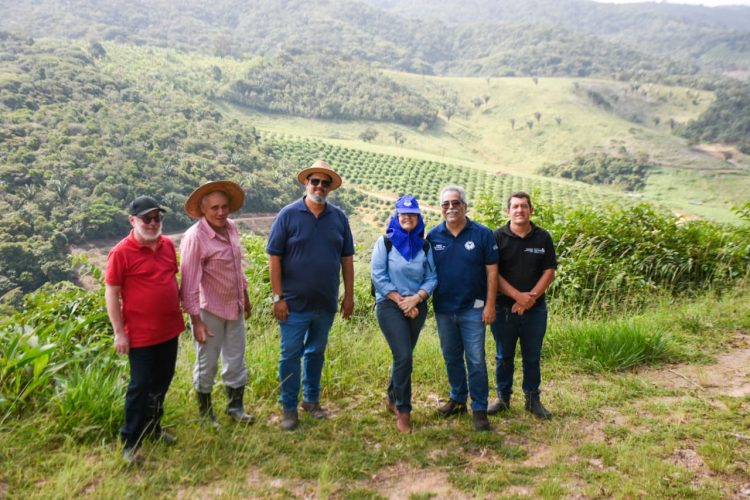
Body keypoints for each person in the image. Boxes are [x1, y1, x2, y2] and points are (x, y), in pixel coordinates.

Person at [267, 160, 355, 431]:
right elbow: (274, 258)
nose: (319, 186)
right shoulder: (288, 215)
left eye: (325, 183)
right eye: (315, 181)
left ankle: (311, 400)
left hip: (325, 302)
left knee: (316, 352)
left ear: (330, 187)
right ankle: (289, 407)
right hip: (292, 304)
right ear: (306, 183)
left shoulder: (339, 218)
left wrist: (349, 296)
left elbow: (347, 259)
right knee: (290, 355)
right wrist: (278, 298)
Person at [105, 195, 185, 465]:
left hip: (169, 329)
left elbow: (171, 279)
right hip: (140, 335)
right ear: (132, 220)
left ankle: (153, 428)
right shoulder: (121, 252)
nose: (153, 223)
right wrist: (119, 332)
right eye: (146, 218)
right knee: (140, 386)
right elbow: (112, 293)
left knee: (162, 381)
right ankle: (130, 441)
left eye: (157, 217)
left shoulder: (167, 245)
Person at [180, 180, 254, 426]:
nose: (221, 212)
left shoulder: (231, 227)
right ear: (203, 210)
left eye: (224, 207)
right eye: (214, 208)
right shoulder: (195, 237)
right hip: (209, 309)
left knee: (236, 358)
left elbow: (237, 265)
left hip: (234, 305)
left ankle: (235, 407)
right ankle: (205, 413)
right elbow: (189, 284)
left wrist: (245, 295)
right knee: (207, 361)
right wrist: (196, 321)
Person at [427, 185, 499, 431]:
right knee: (451, 356)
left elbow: (492, 273)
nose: (450, 208)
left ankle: (479, 408)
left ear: (465, 206)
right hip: (444, 309)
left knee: (476, 360)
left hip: (475, 308)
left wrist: (490, 305)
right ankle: (458, 400)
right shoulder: (433, 236)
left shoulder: (482, 234)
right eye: (445, 204)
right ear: (441, 209)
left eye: (455, 203)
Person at [371, 195, 437, 433]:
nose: (407, 217)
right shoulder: (385, 242)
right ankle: (404, 409)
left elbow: (432, 277)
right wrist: (402, 302)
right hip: (390, 304)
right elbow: (378, 275)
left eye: (412, 214)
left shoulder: (424, 245)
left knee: (403, 356)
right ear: (396, 216)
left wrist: (416, 298)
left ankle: (391, 397)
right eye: (403, 214)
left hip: (417, 306)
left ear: (418, 217)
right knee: (404, 356)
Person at [489, 192, 557, 419]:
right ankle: (502, 398)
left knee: (532, 356)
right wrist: (518, 297)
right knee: (503, 355)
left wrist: (530, 300)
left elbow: (549, 272)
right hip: (503, 309)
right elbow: (492, 273)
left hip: (535, 309)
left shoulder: (543, 237)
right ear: (508, 211)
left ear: (531, 210)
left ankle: (532, 400)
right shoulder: (497, 237)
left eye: (524, 206)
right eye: (515, 206)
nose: (520, 210)